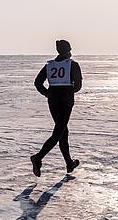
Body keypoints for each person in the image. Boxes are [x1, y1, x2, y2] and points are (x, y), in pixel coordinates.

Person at [30, 39, 83, 176]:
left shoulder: (49, 66)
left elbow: (37, 82)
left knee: (62, 132)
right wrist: (69, 90)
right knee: (58, 132)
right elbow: (78, 86)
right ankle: (38, 158)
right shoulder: (73, 65)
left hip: (53, 101)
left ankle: (69, 163)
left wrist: (48, 93)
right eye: (70, 50)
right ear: (68, 51)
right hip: (65, 101)